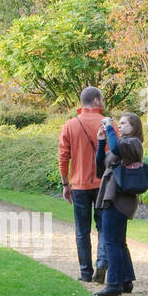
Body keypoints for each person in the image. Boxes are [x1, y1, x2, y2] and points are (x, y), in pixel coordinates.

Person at [58, 87, 109, 283]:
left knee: (82, 230)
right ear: (96, 101)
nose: (103, 102)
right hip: (103, 184)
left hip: (79, 184)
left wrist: (65, 184)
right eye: (102, 99)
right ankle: (102, 262)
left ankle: (85, 272)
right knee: (103, 226)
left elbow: (63, 157)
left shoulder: (70, 125)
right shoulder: (107, 124)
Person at [93, 111, 144, 296]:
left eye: (124, 123)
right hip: (113, 195)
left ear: (134, 127)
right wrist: (100, 142)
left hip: (119, 198)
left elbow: (115, 148)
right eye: (119, 123)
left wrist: (109, 127)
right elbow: (101, 166)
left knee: (111, 242)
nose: (120, 126)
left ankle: (114, 284)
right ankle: (125, 281)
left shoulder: (133, 143)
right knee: (118, 242)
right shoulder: (123, 144)